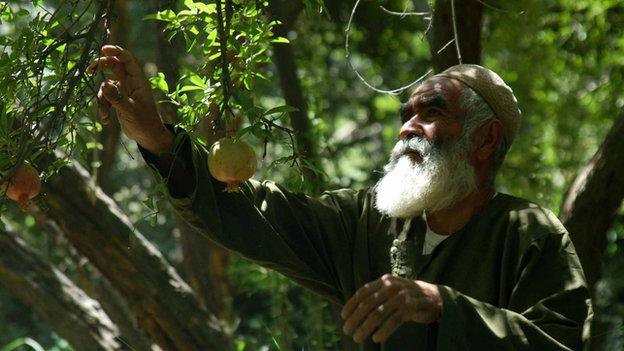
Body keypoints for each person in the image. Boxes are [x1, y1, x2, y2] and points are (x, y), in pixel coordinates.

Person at [90, 45, 593, 350]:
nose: (407, 129)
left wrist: (444, 307)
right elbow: (249, 212)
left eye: (432, 112)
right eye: (405, 115)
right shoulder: (365, 222)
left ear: (485, 141)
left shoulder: (529, 233)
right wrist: (157, 137)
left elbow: (562, 344)